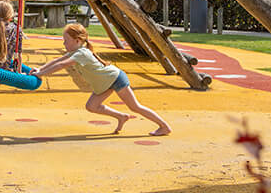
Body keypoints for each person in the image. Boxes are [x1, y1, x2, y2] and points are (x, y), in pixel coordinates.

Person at [29, 23, 171, 136]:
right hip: (105, 83)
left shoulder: (82, 53)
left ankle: (164, 126)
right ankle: (121, 117)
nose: (64, 44)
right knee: (91, 106)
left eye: (66, 41)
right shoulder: (76, 51)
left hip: (115, 79)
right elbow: (57, 60)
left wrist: (41, 75)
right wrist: (40, 69)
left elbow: (61, 65)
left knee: (135, 106)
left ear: (77, 41)